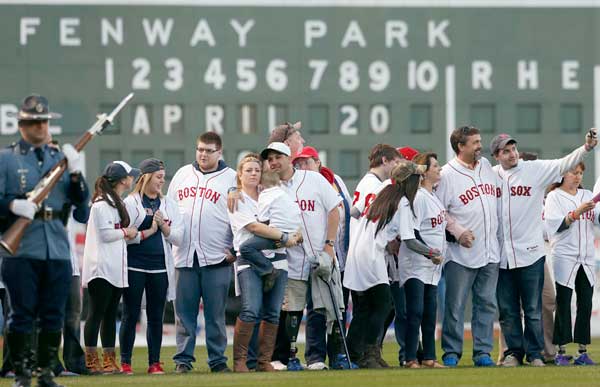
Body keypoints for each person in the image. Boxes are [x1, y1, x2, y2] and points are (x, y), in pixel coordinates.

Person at [0, 94, 89, 387]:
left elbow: (81, 206)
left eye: (43, 121)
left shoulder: (60, 160)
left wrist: (76, 174)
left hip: (57, 248)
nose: (39, 127)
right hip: (22, 248)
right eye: (33, 122)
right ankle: (23, 374)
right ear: (22, 125)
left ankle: (47, 372)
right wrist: (13, 206)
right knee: (22, 314)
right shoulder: (6, 158)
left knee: (54, 314)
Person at [490, 130, 597, 367]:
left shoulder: (533, 169)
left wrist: (586, 148)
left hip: (531, 252)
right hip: (502, 255)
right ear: (497, 155)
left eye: (513, 149)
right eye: (506, 151)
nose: (512, 154)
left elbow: (563, 163)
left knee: (534, 308)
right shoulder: (489, 175)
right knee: (508, 311)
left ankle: (536, 353)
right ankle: (512, 354)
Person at [261, 142, 341, 372]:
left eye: (278, 157)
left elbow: (334, 209)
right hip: (289, 257)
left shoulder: (313, 179)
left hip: (320, 254)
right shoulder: (269, 190)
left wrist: (329, 245)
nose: (274, 162)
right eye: (270, 159)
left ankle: (316, 358)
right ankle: (284, 357)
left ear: (289, 157)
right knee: (290, 310)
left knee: (320, 308)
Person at [168, 132, 237, 373]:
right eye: (200, 149)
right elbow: (170, 210)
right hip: (185, 255)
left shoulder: (232, 178)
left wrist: (236, 249)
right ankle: (183, 361)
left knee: (215, 316)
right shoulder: (182, 174)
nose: (203, 154)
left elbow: (241, 217)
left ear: (219, 152)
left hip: (216, 256)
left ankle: (217, 361)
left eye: (208, 150)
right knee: (184, 315)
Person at [344, 162, 424, 368]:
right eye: (418, 178)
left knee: (366, 306)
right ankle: (370, 352)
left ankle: (353, 352)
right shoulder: (403, 202)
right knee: (383, 304)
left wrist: (373, 228)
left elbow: (353, 211)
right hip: (373, 254)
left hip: (357, 249)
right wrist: (432, 253)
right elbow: (410, 240)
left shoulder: (380, 190)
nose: (421, 181)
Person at [228, 153, 302, 372]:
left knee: (272, 312)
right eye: (248, 170)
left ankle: (263, 361)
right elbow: (254, 227)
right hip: (250, 261)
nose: (253, 173)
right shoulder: (236, 198)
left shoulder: (270, 194)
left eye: (257, 170)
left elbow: (292, 220)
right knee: (251, 309)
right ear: (239, 175)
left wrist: (292, 236)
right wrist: (284, 237)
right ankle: (240, 361)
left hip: (278, 259)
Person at [435, 125, 500, 367]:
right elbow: (438, 211)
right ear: (460, 146)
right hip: (460, 253)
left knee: (486, 304)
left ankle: (482, 352)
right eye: (474, 142)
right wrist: (457, 231)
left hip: (490, 249)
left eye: (479, 141)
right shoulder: (447, 174)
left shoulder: (485, 167)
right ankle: (451, 352)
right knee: (455, 305)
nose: (479, 146)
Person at [291, 146, 355, 370]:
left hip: (339, 255)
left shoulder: (334, 180)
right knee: (316, 308)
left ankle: (337, 354)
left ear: (318, 162)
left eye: (306, 162)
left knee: (338, 307)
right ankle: (315, 356)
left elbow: (344, 210)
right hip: (311, 254)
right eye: (298, 164)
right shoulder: (296, 184)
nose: (302, 167)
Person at [121, 158, 183, 375]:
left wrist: (164, 226)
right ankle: (125, 362)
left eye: (163, 177)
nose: (161, 182)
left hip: (160, 267)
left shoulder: (169, 204)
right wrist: (148, 227)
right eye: (158, 177)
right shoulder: (130, 202)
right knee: (130, 314)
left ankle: (154, 363)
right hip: (135, 265)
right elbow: (124, 235)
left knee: (156, 316)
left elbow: (179, 238)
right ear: (146, 177)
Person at [82, 161, 140, 375]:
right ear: (122, 180)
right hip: (101, 267)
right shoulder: (100, 204)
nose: (132, 178)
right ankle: (91, 360)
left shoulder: (116, 203)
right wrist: (128, 232)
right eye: (129, 176)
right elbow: (106, 235)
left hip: (115, 267)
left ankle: (109, 361)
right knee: (96, 313)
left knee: (109, 316)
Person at [544, 162, 597, 366]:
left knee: (586, 302)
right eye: (574, 172)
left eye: (581, 173)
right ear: (563, 174)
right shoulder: (554, 196)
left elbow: (597, 219)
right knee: (564, 302)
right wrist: (577, 212)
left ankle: (583, 350)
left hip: (586, 256)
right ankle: (561, 351)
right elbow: (555, 226)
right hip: (565, 255)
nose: (577, 176)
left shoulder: (588, 194)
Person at [398, 153, 446, 369]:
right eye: (435, 165)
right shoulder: (417, 197)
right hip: (415, 264)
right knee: (415, 311)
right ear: (423, 172)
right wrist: (430, 253)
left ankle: (429, 357)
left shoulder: (433, 196)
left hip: (432, 266)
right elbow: (412, 235)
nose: (439, 168)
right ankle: (409, 358)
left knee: (429, 313)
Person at [237, 169, 300, 289]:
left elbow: (262, 218)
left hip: (277, 235)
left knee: (245, 248)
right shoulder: (285, 194)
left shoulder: (265, 195)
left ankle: (269, 270)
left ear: (261, 185)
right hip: (293, 234)